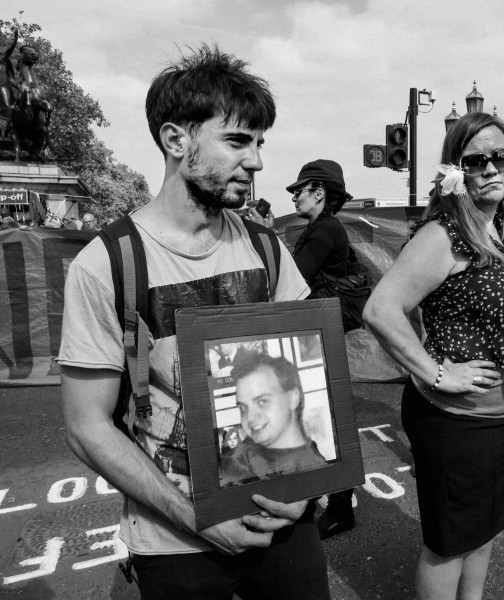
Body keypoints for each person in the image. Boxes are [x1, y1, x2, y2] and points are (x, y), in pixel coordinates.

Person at [57, 46, 331, 600]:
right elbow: (87, 426)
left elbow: (310, 382)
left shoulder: (267, 248)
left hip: (283, 520)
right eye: (237, 141)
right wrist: (196, 516)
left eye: (259, 144)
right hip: (174, 539)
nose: (256, 161)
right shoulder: (106, 264)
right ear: (176, 140)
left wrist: (306, 487)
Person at [363, 111, 504, 600]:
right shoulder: (444, 235)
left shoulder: (503, 232)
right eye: (475, 160)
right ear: (455, 170)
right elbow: (381, 310)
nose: (490, 168)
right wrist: (437, 374)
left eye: (500, 156)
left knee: (484, 532)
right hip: (458, 423)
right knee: (449, 546)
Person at [285, 158, 357, 540]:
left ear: (319, 192)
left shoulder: (325, 230)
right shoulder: (324, 228)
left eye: (300, 189)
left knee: (323, 419)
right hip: (320, 335)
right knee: (320, 416)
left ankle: (340, 507)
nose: (294, 196)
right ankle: (331, 499)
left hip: (318, 338)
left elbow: (292, 281)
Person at [219, 349, 327, 487]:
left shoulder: (316, 473)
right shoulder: (241, 455)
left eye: (262, 401)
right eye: (243, 407)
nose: (250, 417)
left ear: (292, 399)